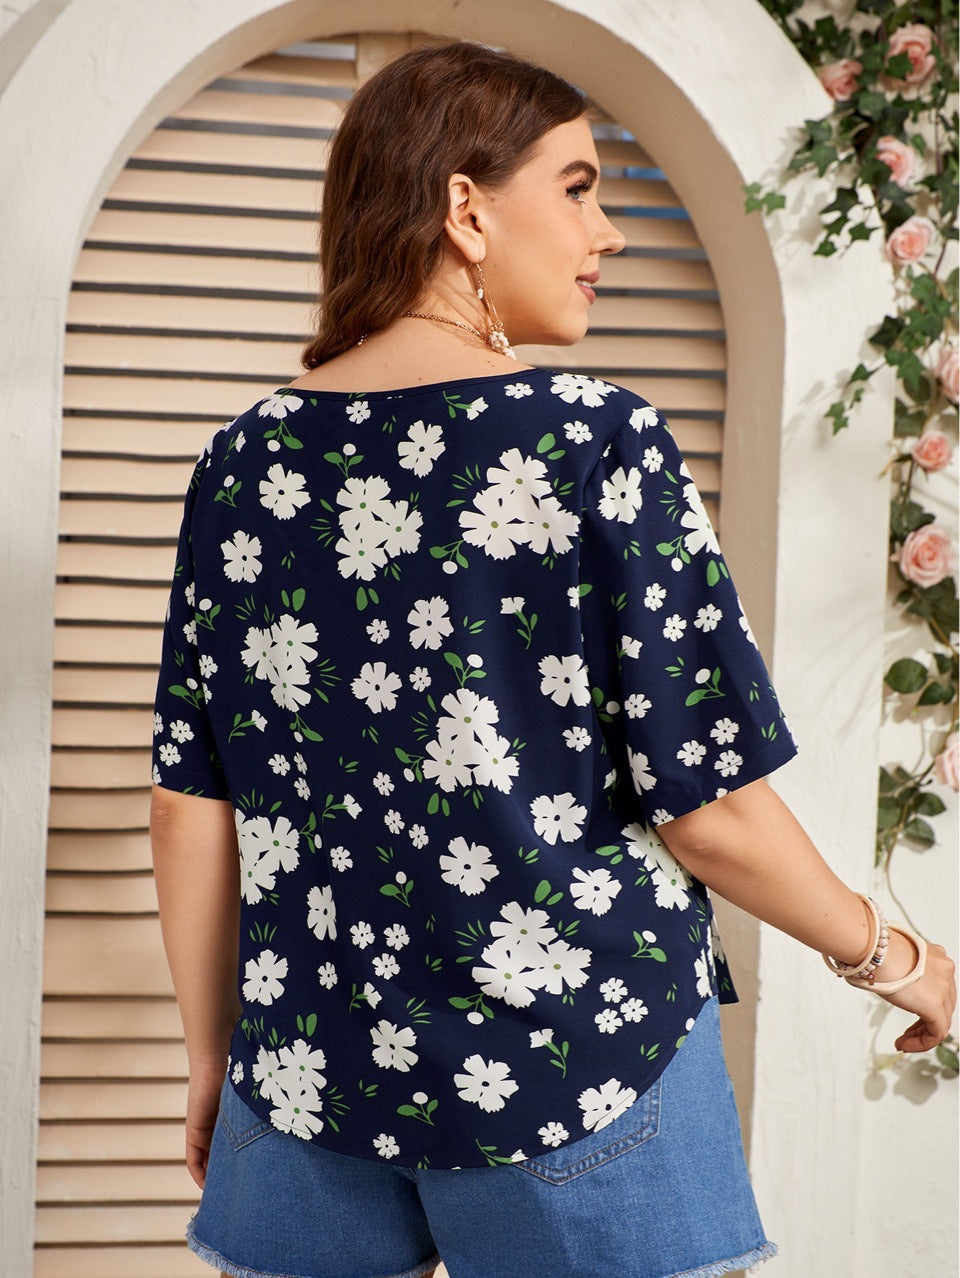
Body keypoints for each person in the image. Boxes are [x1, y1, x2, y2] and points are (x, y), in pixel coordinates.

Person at [150, 40, 956, 1278]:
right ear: (466, 209)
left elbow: (191, 799)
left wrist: (217, 1055)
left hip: (304, 1071)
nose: (608, 233)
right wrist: (897, 959)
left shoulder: (242, 461)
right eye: (578, 188)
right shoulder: (594, 439)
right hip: (581, 1070)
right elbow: (710, 811)